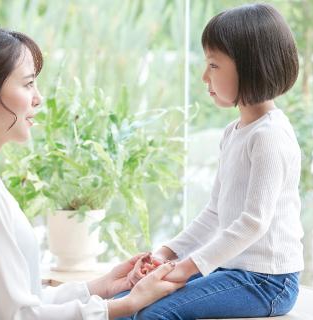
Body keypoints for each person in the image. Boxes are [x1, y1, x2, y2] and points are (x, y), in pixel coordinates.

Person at [0, 25, 182, 320]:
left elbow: (18, 300)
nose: (38, 98)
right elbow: (20, 316)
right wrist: (127, 304)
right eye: (28, 83)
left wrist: (106, 286)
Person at [116, 4, 303, 319]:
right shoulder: (234, 132)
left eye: (213, 66)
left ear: (250, 67)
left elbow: (253, 222)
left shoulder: (270, 135)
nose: (205, 76)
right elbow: (215, 212)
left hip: (268, 282)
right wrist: (168, 252)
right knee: (126, 300)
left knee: (153, 315)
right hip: (233, 270)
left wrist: (188, 267)